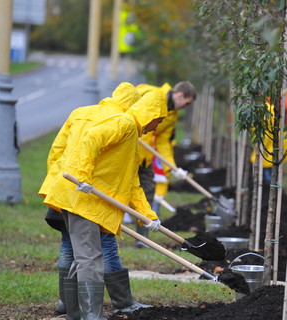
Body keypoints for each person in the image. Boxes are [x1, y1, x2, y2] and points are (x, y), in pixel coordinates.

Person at [40, 85, 167, 319]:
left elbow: (131, 182)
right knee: (90, 257)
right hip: (83, 198)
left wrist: (147, 216)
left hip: (74, 193)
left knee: (79, 254)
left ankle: (74, 311)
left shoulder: (127, 132)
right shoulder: (125, 124)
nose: (154, 128)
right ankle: (91, 316)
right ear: (149, 114)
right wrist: (83, 176)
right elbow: (92, 139)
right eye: (157, 121)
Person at [133, 81, 197, 247]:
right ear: (180, 95)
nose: (185, 107)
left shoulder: (173, 115)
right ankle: (106, 232)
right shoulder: (151, 94)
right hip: (128, 153)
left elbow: (162, 142)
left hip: (145, 158)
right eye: (187, 103)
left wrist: (172, 167)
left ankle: (142, 239)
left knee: (147, 193)